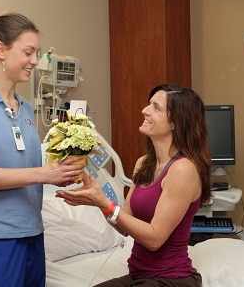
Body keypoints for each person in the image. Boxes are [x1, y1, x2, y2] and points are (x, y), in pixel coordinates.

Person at [0, 12, 85, 287]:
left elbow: (27, 169)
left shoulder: (25, 108)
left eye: (36, 53)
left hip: (31, 232)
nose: (35, 61)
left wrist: (63, 173)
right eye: (28, 52)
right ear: (1, 49)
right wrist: (44, 174)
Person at [56, 84, 211, 287]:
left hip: (173, 280)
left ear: (175, 122)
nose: (144, 110)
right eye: (149, 104)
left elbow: (155, 239)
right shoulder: (144, 163)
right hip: (139, 276)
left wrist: (105, 203)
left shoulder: (183, 169)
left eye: (156, 108)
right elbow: (125, 227)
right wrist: (97, 201)